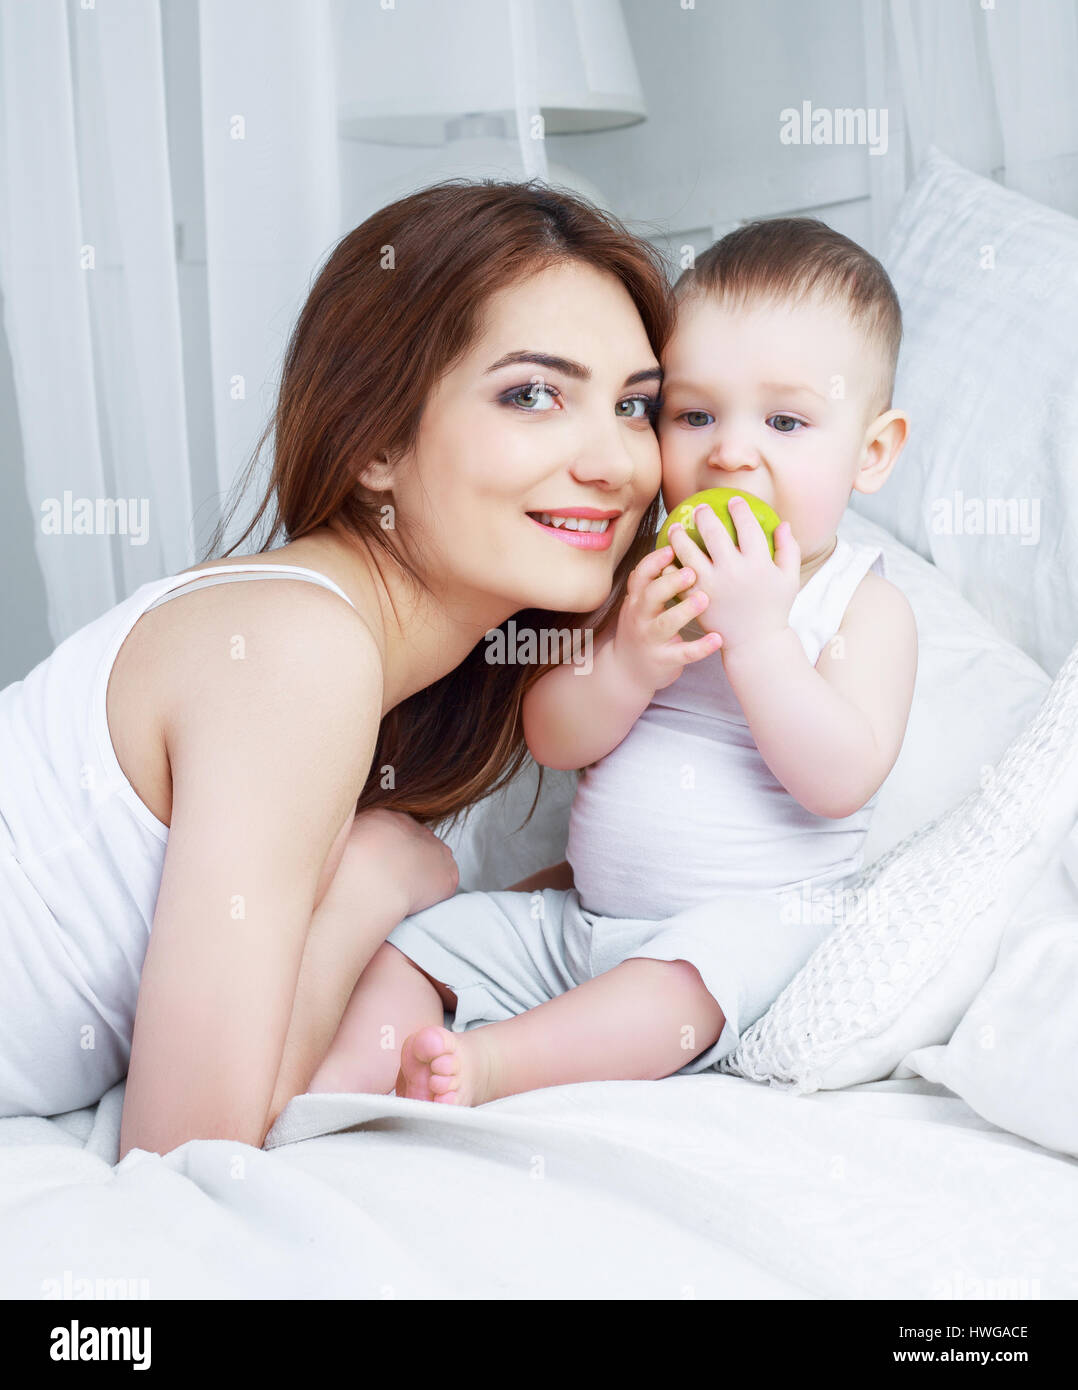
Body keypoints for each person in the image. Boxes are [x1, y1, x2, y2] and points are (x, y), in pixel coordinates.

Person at [0, 179, 677, 1159]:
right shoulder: (296, 650)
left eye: (633, 406)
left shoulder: (319, 638)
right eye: (532, 393)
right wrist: (374, 875)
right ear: (377, 445)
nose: (615, 460)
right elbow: (187, 1144)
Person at [310, 217, 923, 1104]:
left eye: (785, 421)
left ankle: (492, 1065)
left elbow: (839, 780)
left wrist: (759, 638)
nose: (731, 451)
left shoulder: (863, 606)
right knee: (422, 942)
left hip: (738, 938)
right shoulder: (642, 577)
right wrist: (629, 663)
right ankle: (331, 1094)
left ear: (871, 452)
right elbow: (554, 736)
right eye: (696, 414)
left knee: (678, 987)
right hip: (586, 923)